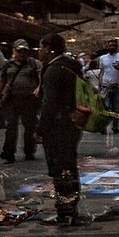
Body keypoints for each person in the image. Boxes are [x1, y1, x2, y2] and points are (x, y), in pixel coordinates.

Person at [37, 32, 86, 225]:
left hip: (58, 126)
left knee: (59, 170)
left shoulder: (54, 70)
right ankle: (71, 210)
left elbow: (50, 103)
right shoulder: (72, 66)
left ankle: (64, 213)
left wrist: (40, 129)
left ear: (49, 49)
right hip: (71, 123)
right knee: (69, 167)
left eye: (41, 47)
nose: (39, 51)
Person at [0, 39, 43, 163]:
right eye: (19, 51)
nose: (22, 53)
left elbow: (40, 77)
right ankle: (8, 152)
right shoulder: (8, 64)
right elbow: (1, 79)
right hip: (13, 98)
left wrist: (38, 88)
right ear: (14, 51)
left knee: (29, 126)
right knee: (11, 125)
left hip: (28, 99)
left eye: (24, 51)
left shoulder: (33, 63)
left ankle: (29, 151)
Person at [96, 39, 119, 133]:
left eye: (113, 45)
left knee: (116, 108)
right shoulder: (102, 58)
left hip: (117, 86)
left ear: (116, 46)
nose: (112, 47)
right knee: (105, 107)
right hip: (105, 86)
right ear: (107, 46)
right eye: (110, 45)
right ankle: (103, 127)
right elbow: (101, 72)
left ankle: (115, 127)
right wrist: (100, 84)